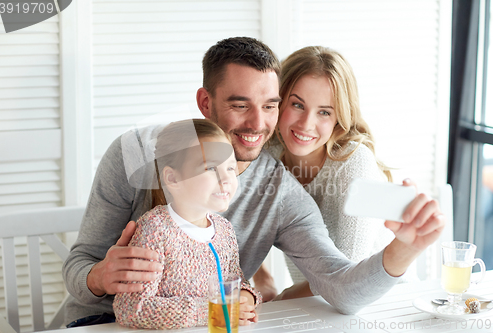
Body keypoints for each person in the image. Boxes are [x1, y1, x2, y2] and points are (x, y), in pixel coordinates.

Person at [63, 37, 445, 327]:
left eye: (269, 105)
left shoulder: (279, 192)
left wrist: (405, 249)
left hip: (206, 327)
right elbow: (78, 266)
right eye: (239, 104)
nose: (258, 124)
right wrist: (98, 277)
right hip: (98, 325)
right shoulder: (138, 152)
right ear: (205, 102)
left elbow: (340, 289)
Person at [265, 46, 396, 290]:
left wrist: (280, 300)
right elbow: (234, 222)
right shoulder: (268, 154)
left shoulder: (354, 163)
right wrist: (264, 281)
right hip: (316, 309)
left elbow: (346, 279)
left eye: (324, 112)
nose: (306, 124)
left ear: (339, 118)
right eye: (297, 105)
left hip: (377, 304)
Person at [112, 119, 260, 329]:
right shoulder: (155, 230)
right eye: (210, 168)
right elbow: (132, 309)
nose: (226, 178)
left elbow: (236, 283)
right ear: (172, 179)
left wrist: (246, 297)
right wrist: (211, 311)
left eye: (230, 168)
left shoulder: (225, 230)